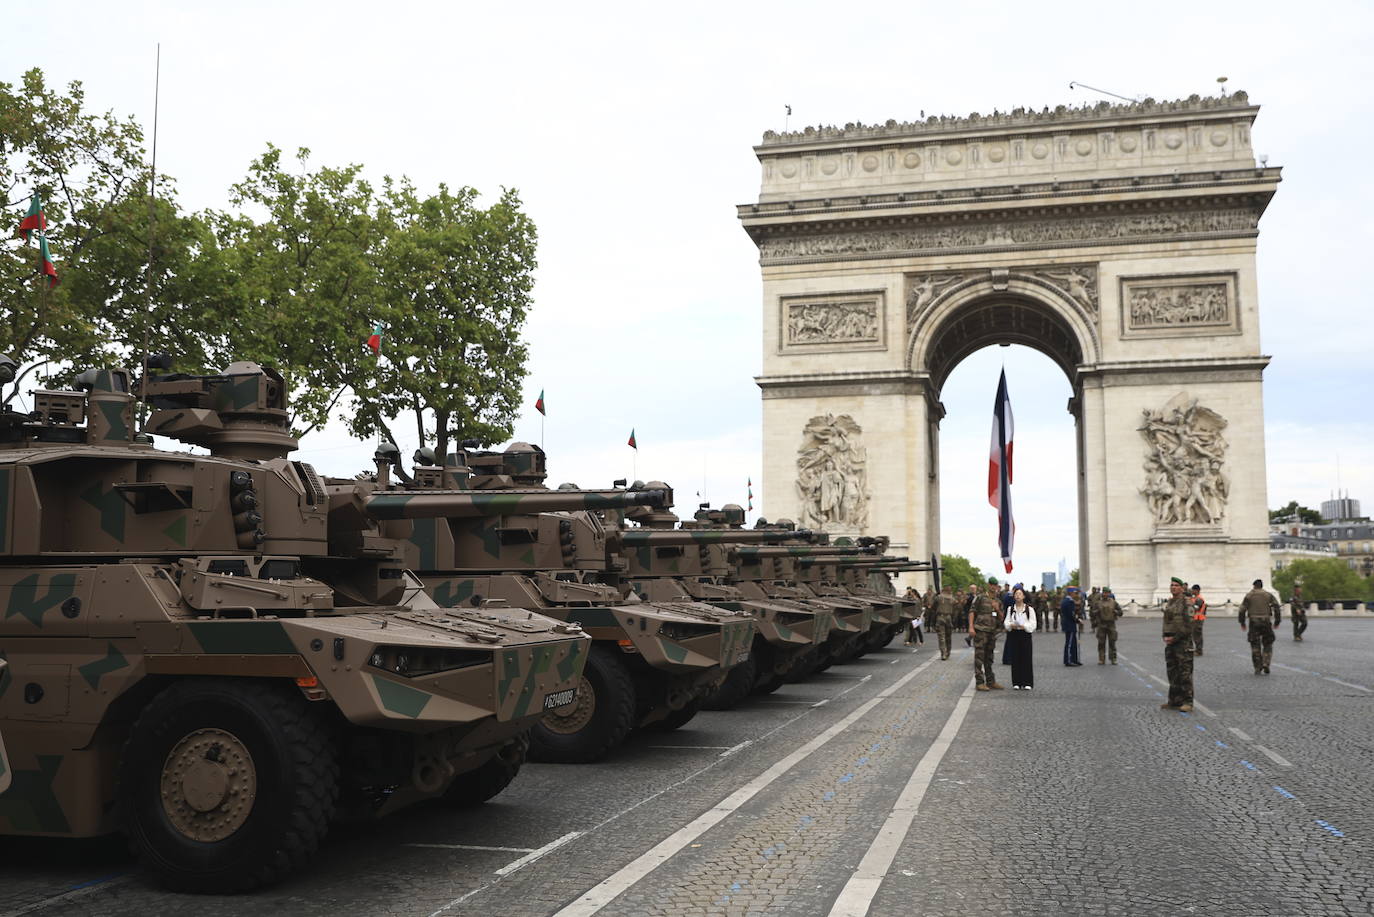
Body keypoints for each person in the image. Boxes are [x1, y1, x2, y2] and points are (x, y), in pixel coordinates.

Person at [1161, 577, 1194, 711]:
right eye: (1171, 585)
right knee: (1172, 672)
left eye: (1176, 585)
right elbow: (1167, 622)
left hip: (1183, 643)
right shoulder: (1170, 602)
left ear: (1182, 588)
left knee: (1184, 674)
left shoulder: (1187, 603)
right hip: (1170, 643)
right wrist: (1165, 636)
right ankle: (1174, 700)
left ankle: (1188, 702)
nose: (1173, 587)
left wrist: (1174, 638)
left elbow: (1189, 625)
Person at [1239, 578, 1282, 675]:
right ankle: (1266, 663)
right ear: (1262, 586)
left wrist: (1242, 622)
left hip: (1254, 622)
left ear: (1254, 586)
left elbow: (1242, 610)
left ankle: (1258, 667)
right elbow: (1276, 607)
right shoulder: (1268, 595)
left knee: (1255, 645)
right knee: (1268, 643)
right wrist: (1277, 621)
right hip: (1266, 621)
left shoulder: (1249, 595)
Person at [968, 583, 1005, 691]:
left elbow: (1002, 617)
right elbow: (972, 612)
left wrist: (997, 609)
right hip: (980, 631)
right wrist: (971, 627)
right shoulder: (980, 597)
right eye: (991, 585)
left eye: (995, 585)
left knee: (989, 658)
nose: (993, 587)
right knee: (979, 657)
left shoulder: (998, 601)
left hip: (992, 632)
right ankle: (979, 682)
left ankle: (990, 681)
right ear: (988, 585)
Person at [1003, 587, 1037, 689]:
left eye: (1020, 594)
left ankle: (1027, 682)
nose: (1017, 596)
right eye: (1016, 594)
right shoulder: (1011, 609)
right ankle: (1016, 682)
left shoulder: (1029, 609)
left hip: (1025, 634)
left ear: (1024, 596)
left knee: (1026, 657)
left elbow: (1033, 623)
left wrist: (1025, 626)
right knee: (1015, 658)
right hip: (1014, 634)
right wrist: (1010, 625)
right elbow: (1006, 621)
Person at [1093, 586, 1123, 665]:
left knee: (1112, 642)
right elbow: (1092, 613)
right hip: (1101, 624)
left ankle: (1113, 658)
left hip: (1111, 624)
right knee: (1101, 642)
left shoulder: (1114, 602)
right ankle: (1101, 658)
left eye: (1107, 593)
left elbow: (1121, 612)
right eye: (1104, 593)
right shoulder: (1098, 603)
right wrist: (1097, 612)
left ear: (1109, 593)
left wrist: (1116, 612)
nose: (1105, 594)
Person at [932, 584, 957, 660]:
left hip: (940, 617)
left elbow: (933, 606)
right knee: (948, 636)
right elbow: (955, 608)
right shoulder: (953, 598)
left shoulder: (938, 597)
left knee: (941, 637)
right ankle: (948, 652)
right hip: (949, 617)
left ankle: (943, 653)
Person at [1060, 587, 1082, 666]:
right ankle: (1068, 660)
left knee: (1073, 643)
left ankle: (1074, 659)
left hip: (1068, 624)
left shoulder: (1066, 601)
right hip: (1069, 625)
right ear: (1071, 593)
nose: (1075, 594)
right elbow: (1071, 614)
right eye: (1075, 593)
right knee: (1069, 643)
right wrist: (1078, 620)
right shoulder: (1069, 602)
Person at [1189, 584, 1208, 656]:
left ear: (1197, 590)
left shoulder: (1199, 599)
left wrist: (1190, 604)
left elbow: (1196, 608)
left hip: (1199, 619)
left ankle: (1199, 650)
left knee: (1197, 635)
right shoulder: (1195, 598)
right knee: (1194, 635)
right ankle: (1197, 649)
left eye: (1193, 590)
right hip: (1195, 619)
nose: (1192, 591)